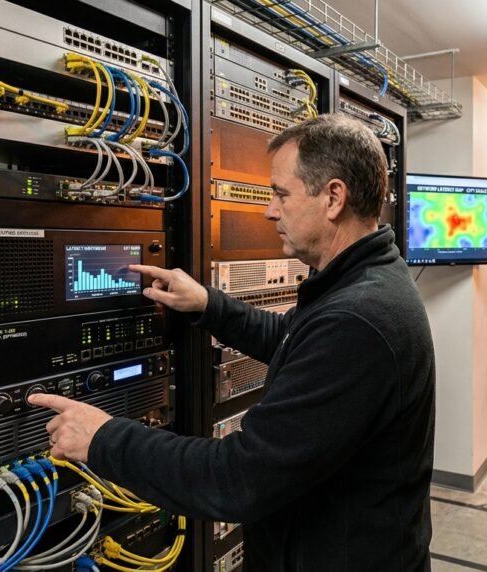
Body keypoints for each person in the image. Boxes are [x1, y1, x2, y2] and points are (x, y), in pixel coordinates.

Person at [29, 113, 436, 570]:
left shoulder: (359, 317)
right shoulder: (364, 283)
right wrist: (209, 304)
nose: (269, 210)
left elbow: (237, 479)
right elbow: (292, 341)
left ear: (334, 197)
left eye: (281, 194)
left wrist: (103, 438)